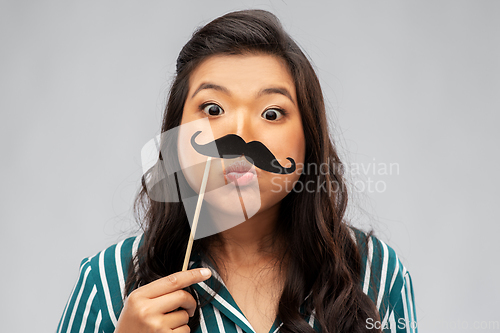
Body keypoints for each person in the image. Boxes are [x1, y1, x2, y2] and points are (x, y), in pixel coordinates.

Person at [57, 9, 417, 333]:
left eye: (272, 113)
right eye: (213, 109)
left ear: (309, 139)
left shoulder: (375, 275)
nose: (240, 134)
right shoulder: (109, 280)